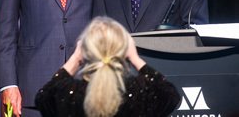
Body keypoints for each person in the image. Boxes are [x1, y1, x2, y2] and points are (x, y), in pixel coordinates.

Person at [35, 16, 181, 117]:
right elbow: (170, 95)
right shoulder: (140, 91)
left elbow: (43, 98)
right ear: (124, 49)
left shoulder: (69, 93)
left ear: (86, 50)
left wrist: (75, 58)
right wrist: (135, 58)